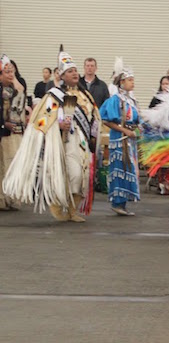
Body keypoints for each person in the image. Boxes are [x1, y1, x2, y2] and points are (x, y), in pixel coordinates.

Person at [3, 48, 100, 222]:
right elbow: (41, 121)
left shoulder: (85, 94)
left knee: (83, 177)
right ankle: (57, 205)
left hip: (83, 143)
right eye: (70, 71)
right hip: (66, 141)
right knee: (72, 173)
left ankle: (72, 210)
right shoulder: (55, 96)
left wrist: (93, 136)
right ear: (62, 76)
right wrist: (58, 125)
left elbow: (95, 117)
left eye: (76, 71)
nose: (75, 74)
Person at [99, 58, 141, 216]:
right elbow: (107, 120)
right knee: (120, 168)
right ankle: (117, 203)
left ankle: (123, 203)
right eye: (130, 80)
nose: (133, 83)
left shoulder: (131, 100)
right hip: (120, 140)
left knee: (129, 169)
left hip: (130, 139)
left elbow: (136, 119)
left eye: (133, 80)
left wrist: (137, 128)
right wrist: (124, 130)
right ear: (122, 82)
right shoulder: (115, 100)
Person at [0, 56, 27, 210]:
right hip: (3, 130)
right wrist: (4, 124)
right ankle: (2, 199)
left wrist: (14, 78)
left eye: (12, 71)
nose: (10, 74)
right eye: (6, 71)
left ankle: (13, 198)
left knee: (13, 164)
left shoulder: (19, 86)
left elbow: (21, 96)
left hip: (15, 132)